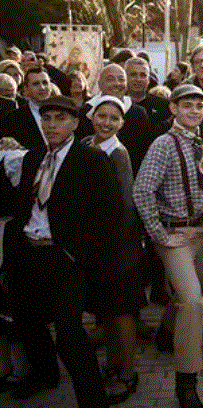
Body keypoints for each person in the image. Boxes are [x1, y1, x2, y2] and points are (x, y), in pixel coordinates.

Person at [0, 96, 122, 407]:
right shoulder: (34, 157)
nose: (52, 125)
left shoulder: (91, 159)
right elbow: (23, 206)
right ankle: (45, 374)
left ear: (75, 123)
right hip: (29, 253)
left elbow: (109, 214)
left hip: (64, 257)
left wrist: (77, 255)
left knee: (69, 336)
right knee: (26, 321)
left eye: (60, 119)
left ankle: (92, 399)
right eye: (47, 119)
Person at [133, 84, 203, 408]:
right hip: (175, 235)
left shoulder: (199, 143)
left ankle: (167, 333)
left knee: (186, 297)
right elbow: (141, 192)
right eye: (187, 105)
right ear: (174, 109)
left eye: (199, 106)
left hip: (199, 232)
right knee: (193, 301)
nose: (194, 111)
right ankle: (186, 383)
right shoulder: (163, 145)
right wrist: (160, 235)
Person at [83, 96, 146, 404]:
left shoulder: (118, 154)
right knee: (105, 311)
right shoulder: (85, 145)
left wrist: (116, 248)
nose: (106, 123)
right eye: (101, 116)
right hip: (93, 244)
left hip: (118, 244)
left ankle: (128, 371)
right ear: (91, 116)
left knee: (121, 311)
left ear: (122, 123)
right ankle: (112, 362)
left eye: (113, 118)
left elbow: (126, 203)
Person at [78, 64, 152, 174]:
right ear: (100, 84)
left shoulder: (138, 113)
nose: (117, 84)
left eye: (121, 79)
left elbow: (144, 152)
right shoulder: (86, 111)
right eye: (110, 79)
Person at [1, 67, 51, 149]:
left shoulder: (64, 112)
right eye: (36, 84)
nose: (42, 87)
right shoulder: (14, 118)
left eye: (45, 83)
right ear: (26, 89)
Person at [126, 57, 171, 134]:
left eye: (143, 75)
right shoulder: (117, 105)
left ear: (148, 79)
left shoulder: (163, 106)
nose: (138, 79)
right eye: (133, 74)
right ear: (125, 77)